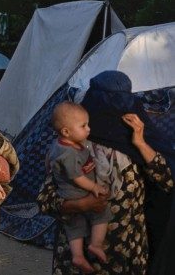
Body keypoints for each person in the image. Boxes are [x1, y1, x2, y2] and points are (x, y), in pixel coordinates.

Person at [37, 71, 174, 275]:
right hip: (79, 256)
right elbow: (45, 199)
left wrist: (140, 143)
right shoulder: (70, 146)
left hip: (126, 253)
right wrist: (80, 204)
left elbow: (167, 182)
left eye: (122, 99)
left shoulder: (140, 141)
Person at [48, 101, 111, 273]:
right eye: (83, 126)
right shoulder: (68, 153)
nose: (88, 129)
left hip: (69, 194)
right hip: (77, 192)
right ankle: (96, 244)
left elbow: (49, 158)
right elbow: (77, 177)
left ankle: (78, 256)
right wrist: (94, 187)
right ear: (66, 131)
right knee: (101, 214)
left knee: (75, 225)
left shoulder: (62, 145)